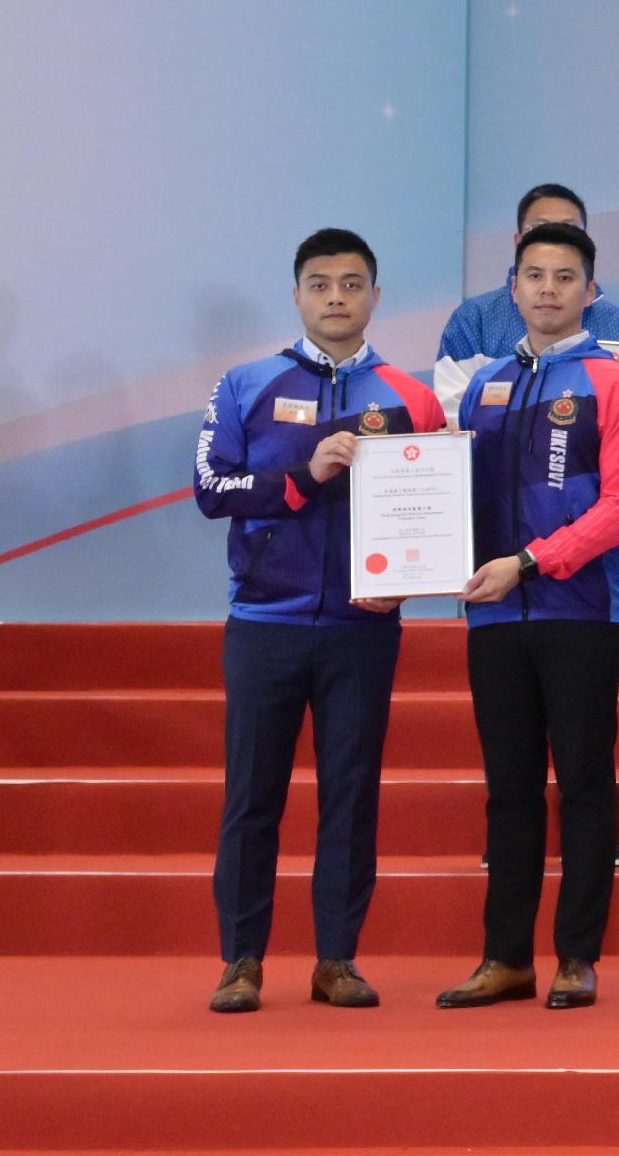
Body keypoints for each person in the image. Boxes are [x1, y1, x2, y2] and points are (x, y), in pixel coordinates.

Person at [190, 227, 446, 1013]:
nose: (337, 297)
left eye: (352, 283)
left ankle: (337, 957)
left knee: (351, 792)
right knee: (251, 795)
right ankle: (241, 960)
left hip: (362, 628)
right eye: (320, 283)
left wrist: (409, 579)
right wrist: (302, 477)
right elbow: (211, 489)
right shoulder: (245, 382)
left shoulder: (413, 396)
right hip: (264, 618)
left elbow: (435, 508)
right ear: (296, 294)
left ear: (376, 295)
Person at [438, 218, 619, 1014]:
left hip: (579, 611)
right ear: (513, 287)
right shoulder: (484, 383)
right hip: (493, 616)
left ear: (591, 292)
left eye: (566, 276)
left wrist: (532, 560)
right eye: (535, 275)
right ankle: (504, 957)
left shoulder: (617, 382)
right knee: (510, 789)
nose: (549, 290)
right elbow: (444, 488)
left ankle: (575, 956)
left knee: (586, 785)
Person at [438, 182, 619, 359]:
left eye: (569, 228)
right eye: (539, 228)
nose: (554, 237)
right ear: (518, 240)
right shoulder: (475, 319)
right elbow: (456, 407)